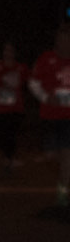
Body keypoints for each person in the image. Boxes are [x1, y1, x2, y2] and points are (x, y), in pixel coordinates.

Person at [29, 24, 70, 206]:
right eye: (61, 41)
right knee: (51, 156)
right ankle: (64, 174)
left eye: (67, 41)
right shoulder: (46, 59)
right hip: (49, 115)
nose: (64, 44)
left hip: (68, 118)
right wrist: (46, 97)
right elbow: (33, 83)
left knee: (67, 155)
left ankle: (63, 190)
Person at [0, 41, 29, 173]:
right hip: (0, 107)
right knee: (1, 134)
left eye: (11, 50)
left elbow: (29, 82)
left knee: (11, 133)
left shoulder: (21, 68)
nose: (8, 53)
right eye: (6, 50)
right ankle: (7, 156)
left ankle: (9, 158)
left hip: (15, 107)